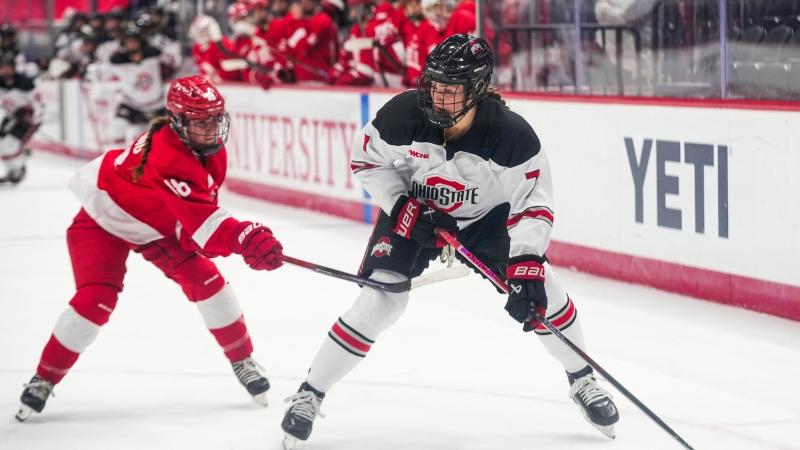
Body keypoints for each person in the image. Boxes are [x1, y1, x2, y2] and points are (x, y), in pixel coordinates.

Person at [279, 34, 619, 449]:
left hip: (484, 220)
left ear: (477, 89)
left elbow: (533, 204)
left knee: (542, 289)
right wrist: (401, 205)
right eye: (434, 84)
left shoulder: (510, 134)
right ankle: (310, 393)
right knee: (380, 299)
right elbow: (366, 161)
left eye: (451, 88)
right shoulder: (404, 113)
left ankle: (582, 378)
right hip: (416, 212)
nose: (438, 96)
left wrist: (526, 262)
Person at [15, 76, 284, 422]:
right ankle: (44, 377)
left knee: (209, 283)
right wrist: (244, 237)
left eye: (216, 120)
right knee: (95, 300)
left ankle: (242, 359)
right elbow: (206, 224)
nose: (211, 130)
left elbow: (199, 218)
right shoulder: (167, 156)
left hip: (157, 229)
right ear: (178, 121)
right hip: (102, 221)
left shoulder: (210, 151)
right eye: (201, 122)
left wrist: (230, 239)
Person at [0, 52, 41, 185]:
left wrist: (35, 115)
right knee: (1, 142)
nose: (5, 70)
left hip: (27, 117)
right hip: (12, 116)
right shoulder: (1, 82)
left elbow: (37, 102)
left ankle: (19, 169)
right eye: (2, 67)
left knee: (10, 143)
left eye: (8, 67)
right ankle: (11, 171)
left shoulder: (24, 82)